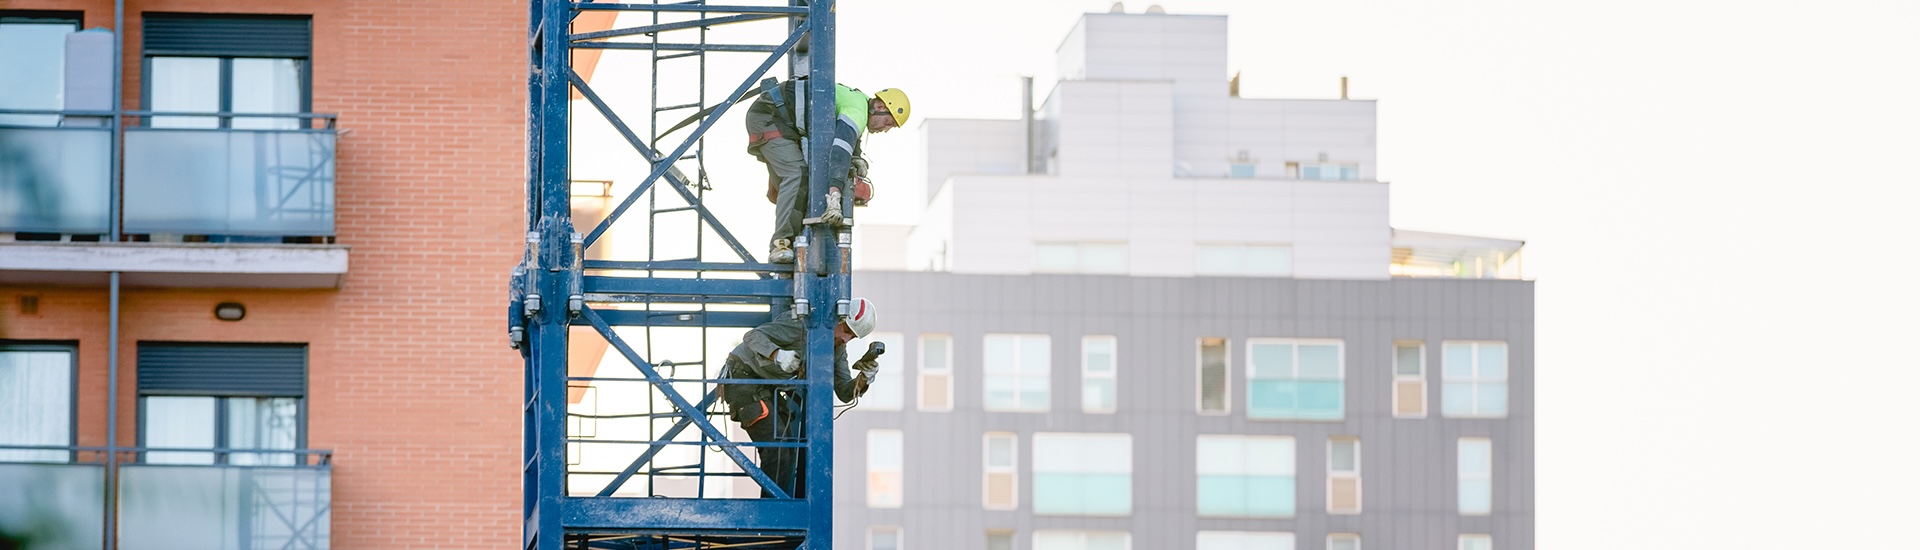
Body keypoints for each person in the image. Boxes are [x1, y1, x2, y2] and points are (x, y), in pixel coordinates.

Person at [722, 297, 880, 497]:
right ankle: (772, 511)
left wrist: (864, 379)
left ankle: (778, 506)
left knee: (791, 449)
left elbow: (843, 391)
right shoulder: (801, 324)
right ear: (838, 319)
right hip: (742, 379)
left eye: (853, 337)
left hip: (767, 388)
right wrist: (777, 355)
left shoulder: (837, 349)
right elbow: (752, 336)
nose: (846, 339)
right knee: (778, 449)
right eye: (847, 331)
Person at [744, 79, 910, 263]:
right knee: (796, 174)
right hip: (769, 116)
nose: (885, 130)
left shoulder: (858, 102)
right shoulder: (857, 111)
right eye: (888, 122)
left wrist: (856, 157)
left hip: (778, 117)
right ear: (879, 106)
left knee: (800, 186)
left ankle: (789, 242)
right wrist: (834, 196)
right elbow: (839, 152)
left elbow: (847, 136)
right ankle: (780, 244)